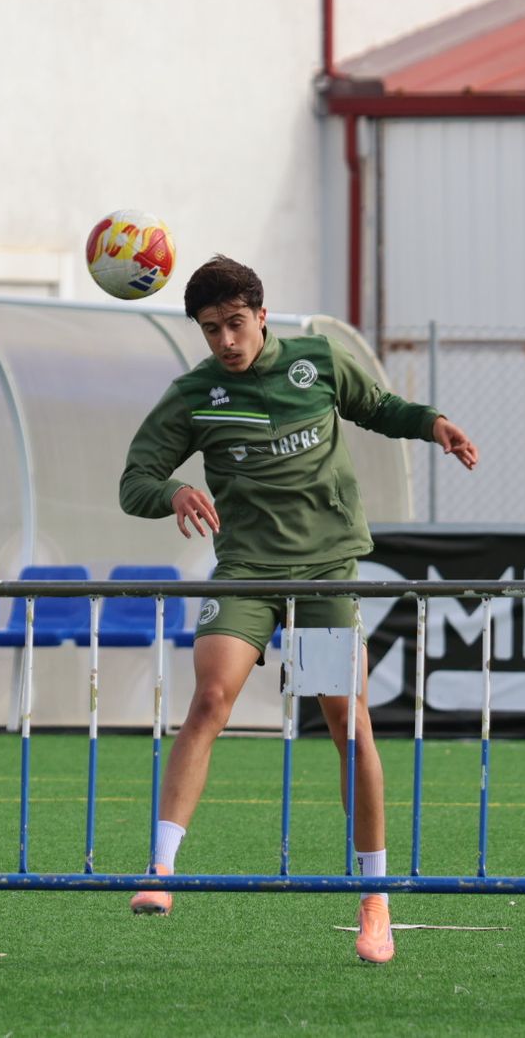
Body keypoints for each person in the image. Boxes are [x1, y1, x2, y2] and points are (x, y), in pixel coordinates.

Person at [118, 254, 478, 964]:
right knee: (210, 699)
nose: (224, 340)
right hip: (248, 574)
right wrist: (173, 493)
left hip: (322, 576)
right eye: (210, 328)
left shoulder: (315, 362)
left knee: (348, 723)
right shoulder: (195, 394)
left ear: (260, 311)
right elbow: (136, 479)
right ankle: (160, 869)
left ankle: (375, 900)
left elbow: (379, 408)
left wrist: (432, 422)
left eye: (234, 323)